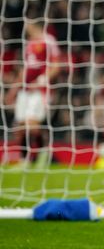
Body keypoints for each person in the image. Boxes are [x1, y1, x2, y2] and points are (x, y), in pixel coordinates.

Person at [6, 17, 61, 169]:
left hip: (40, 90)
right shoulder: (29, 44)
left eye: (28, 24)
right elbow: (25, 69)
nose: (26, 27)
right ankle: (25, 160)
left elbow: (56, 66)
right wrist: (14, 89)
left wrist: (42, 80)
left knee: (33, 124)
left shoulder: (48, 41)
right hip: (25, 89)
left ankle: (42, 156)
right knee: (21, 126)